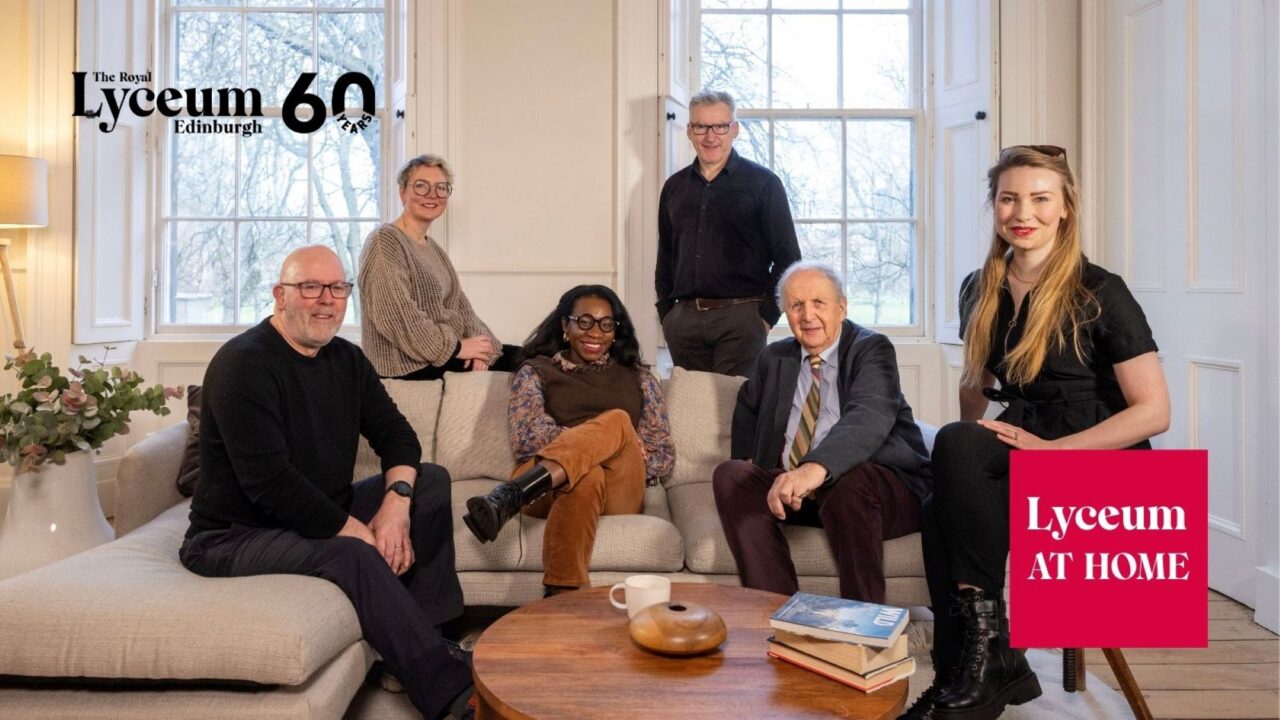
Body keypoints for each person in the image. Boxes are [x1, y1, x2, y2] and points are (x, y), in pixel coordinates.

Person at [901, 146, 1170, 720]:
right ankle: (967, 673)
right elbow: (977, 389)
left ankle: (985, 665)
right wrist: (962, 466)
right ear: (994, 206)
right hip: (1025, 439)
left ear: (1065, 207)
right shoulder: (980, 287)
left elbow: (1154, 411)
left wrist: (1055, 452)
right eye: (1009, 198)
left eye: (1040, 198)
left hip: (1098, 452)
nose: (1023, 211)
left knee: (957, 453)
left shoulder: (1101, 290)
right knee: (938, 497)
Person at [180, 246, 475, 720]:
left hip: (315, 510)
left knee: (432, 483)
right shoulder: (243, 364)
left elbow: (398, 436)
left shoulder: (346, 359)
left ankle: (421, 646)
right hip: (234, 535)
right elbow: (270, 484)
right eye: (310, 287)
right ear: (280, 295)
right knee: (353, 550)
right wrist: (363, 532)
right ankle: (454, 694)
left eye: (338, 288)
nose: (326, 300)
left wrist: (396, 506)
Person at [713, 261, 931, 604]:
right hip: (802, 496)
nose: (807, 315)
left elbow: (869, 415)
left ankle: (863, 626)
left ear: (841, 307)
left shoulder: (872, 349)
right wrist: (752, 458)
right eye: (796, 305)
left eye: (819, 303)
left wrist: (813, 470)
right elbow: (748, 403)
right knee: (731, 475)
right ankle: (777, 612)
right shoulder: (775, 356)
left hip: (877, 493)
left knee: (846, 479)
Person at [461, 285, 674, 596]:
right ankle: (561, 598)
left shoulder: (639, 378)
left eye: (606, 324)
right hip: (545, 488)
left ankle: (508, 498)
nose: (596, 333)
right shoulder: (535, 372)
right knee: (586, 471)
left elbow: (663, 455)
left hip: (619, 488)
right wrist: (598, 445)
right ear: (565, 326)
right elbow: (526, 437)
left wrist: (619, 442)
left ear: (615, 332)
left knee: (616, 421)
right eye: (584, 321)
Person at [655, 89, 802, 377]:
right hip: (684, 321)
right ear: (689, 131)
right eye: (701, 126)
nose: (711, 136)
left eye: (720, 126)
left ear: (734, 129)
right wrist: (667, 315)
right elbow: (666, 257)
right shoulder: (674, 188)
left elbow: (788, 257)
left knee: (735, 412)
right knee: (692, 411)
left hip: (742, 318)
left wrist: (766, 318)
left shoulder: (763, 184)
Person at [359, 154, 519, 380]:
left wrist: (485, 350)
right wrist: (458, 349)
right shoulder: (384, 241)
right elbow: (397, 317)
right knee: (530, 365)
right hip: (409, 365)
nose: (432, 195)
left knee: (532, 357)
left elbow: (462, 309)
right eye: (421, 186)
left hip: (445, 354)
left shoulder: (434, 249)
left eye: (441, 188)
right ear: (402, 192)